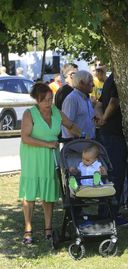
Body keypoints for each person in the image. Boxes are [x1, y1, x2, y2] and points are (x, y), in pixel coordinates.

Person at [19, 83, 80, 245]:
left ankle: (48, 228)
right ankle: (28, 229)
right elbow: (25, 138)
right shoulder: (29, 114)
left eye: (50, 99)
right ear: (37, 100)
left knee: (48, 194)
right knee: (30, 194)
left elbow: (71, 126)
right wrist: (48, 144)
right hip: (32, 158)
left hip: (50, 159)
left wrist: (83, 135)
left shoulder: (56, 112)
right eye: (45, 100)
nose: (48, 103)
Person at [94, 73, 128, 226]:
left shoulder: (109, 79)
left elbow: (98, 104)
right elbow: (114, 102)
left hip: (106, 134)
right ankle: (111, 215)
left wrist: (101, 118)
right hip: (114, 134)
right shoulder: (118, 78)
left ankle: (105, 212)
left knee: (108, 174)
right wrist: (105, 118)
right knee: (116, 175)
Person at [61, 70, 96, 139]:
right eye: (90, 82)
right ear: (81, 83)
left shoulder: (87, 98)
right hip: (77, 144)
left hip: (87, 142)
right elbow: (67, 125)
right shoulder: (72, 99)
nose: (93, 85)